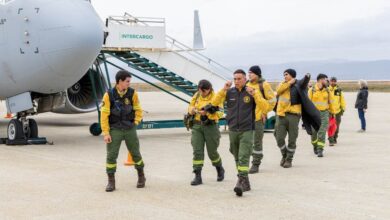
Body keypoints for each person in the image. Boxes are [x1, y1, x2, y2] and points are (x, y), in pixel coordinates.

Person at [212, 69, 268, 197]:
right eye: (235, 79)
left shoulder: (252, 91)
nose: (236, 81)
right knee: (236, 155)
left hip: (247, 129)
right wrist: (223, 90)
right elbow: (214, 103)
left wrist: (255, 95)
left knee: (243, 155)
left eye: (239, 79)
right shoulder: (229, 92)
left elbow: (265, 107)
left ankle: (240, 182)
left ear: (245, 79)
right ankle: (246, 182)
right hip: (233, 129)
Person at [100, 70, 146, 192]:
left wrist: (135, 123)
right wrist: (106, 133)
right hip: (115, 129)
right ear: (119, 81)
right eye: (127, 81)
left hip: (129, 129)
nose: (129, 84)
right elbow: (104, 115)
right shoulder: (108, 95)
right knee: (111, 156)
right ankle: (111, 182)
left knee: (136, 154)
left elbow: (138, 109)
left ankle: (141, 176)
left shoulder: (133, 94)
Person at [188, 79, 225, 186]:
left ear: (209, 89)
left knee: (212, 152)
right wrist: (193, 110)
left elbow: (221, 113)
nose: (202, 93)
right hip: (197, 126)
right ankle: (197, 176)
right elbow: (190, 106)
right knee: (197, 151)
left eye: (204, 91)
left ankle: (219, 168)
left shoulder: (216, 97)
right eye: (200, 90)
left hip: (210, 126)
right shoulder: (197, 95)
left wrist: (209, 112)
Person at [246, 65, 276, 174]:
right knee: (247, 141)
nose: (249, 75)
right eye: (248, 73)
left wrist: (265, 112)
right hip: (247, 118)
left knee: (257, 142)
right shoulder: (246, 84)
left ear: (257, 74)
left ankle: (256, 164)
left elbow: (272, 101)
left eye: (251, 73)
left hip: (258, 118)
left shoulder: (264, 85)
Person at [274, 69, 302, 168]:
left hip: (294, 115)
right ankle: (284, 154)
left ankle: (289, 159)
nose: (285, 76)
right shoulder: (282, 84)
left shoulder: (299, 85)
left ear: (292, 75)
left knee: (292, 139)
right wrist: (289, 83)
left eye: (287, 74)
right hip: (281, 115)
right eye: (284, 74)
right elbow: (278, 91)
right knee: (279, 137)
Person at [309, 73, 335, 157]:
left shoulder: (327, 90)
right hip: (314, 114)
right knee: (314, 133)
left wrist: (333, 113)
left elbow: (331, 102)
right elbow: (307, 103)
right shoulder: (312, 90)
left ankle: (320, 149)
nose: (327, 81)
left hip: (324, 114)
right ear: (320, 80)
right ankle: (315, 146)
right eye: (325, 79)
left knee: (322, 132)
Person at [328, 77, 346, 146]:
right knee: (330, 126)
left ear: (336, 82)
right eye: (332, 81)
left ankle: (335, 137)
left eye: (334, 81)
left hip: (338, 111)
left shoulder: (339, 90)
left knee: (337, 126)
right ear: (329, 82)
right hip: (329, 111)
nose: (333, 82)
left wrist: (343, 109)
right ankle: (331, 140)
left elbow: (342, 100)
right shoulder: (327, 90)